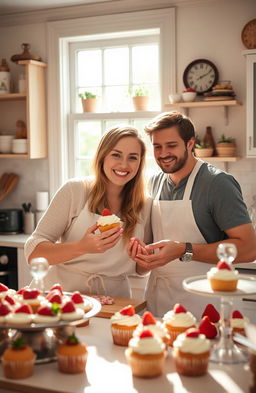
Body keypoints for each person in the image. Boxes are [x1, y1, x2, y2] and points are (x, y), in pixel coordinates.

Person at [128, 111, 256, 317]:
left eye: (171, 145)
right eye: (157, 146)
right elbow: (152, 243)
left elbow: (249, 248)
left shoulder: (217, 183)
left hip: (207, 302)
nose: (163, 153)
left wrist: (183, 250)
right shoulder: (154, 182)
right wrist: (143, 256)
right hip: (160, 299)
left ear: (190, 144)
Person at [25, 126, 152, 298]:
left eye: (132, 158)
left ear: (140, 163)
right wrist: (82, 247)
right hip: (61, 295)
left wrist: (146, 260)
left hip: (114, 299)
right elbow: (33, 253)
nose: (124, 164)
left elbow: (140, 270)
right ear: (102, 156)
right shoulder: (75, 190)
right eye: (116, 155)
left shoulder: (146, 205)